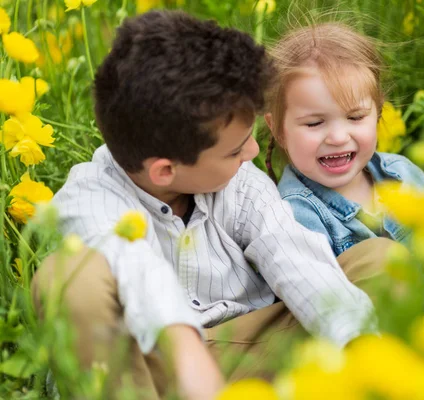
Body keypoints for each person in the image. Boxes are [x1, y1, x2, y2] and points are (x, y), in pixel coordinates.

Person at [31, 11, 394, 400]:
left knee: (378, 261)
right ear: (165, 171)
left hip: (249, 354)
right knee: (65, 278)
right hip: (144, 372)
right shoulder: (90, 195)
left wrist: (362, 352)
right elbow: (137, 268)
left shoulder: (242, 182)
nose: (253, 152)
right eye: (236, 149)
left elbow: (294, 256)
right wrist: (187, 357)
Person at [265, 22, 424, 300]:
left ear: (378, 113)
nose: (338, 137)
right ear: (278, 129)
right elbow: (326, 307)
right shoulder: (294, 215)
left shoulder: (401, 173)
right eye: (315, 123)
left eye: (355, 117)